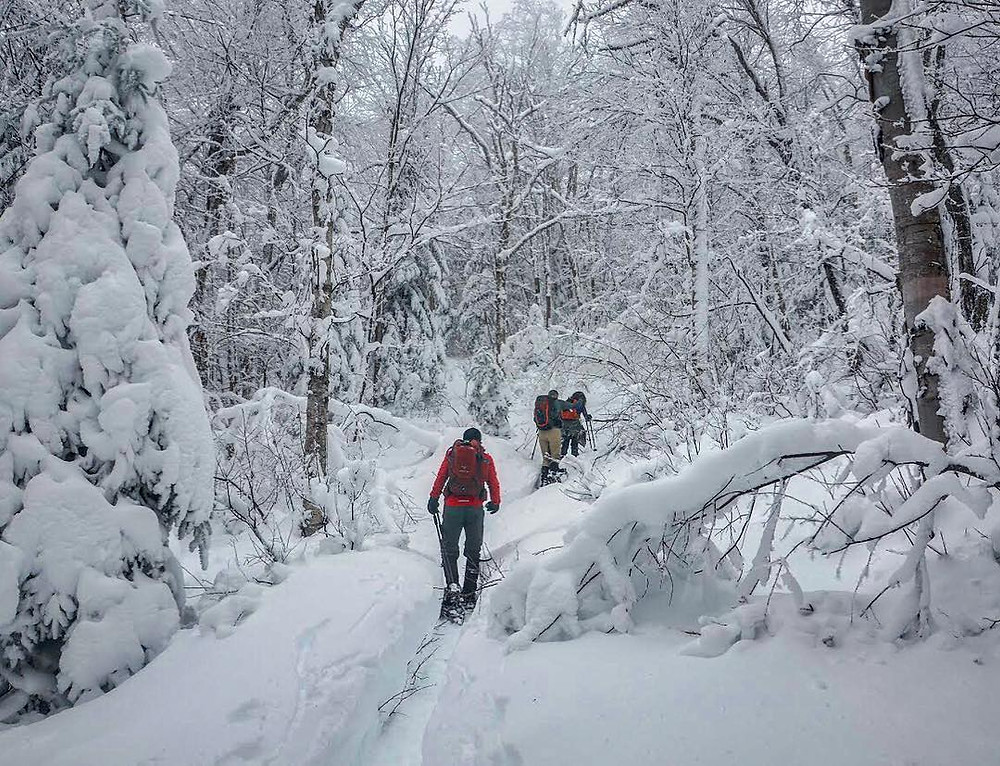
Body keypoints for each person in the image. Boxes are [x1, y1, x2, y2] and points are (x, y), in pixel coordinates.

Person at [428, 427, 501, 619]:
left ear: (464, 440)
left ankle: (453, 590)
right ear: (479, 440)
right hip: (475, 509)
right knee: (473, 550)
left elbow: (441, 476)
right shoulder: (485, 458)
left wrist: (433, 498)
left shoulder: (453, 454)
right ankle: (469, 594)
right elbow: (493, 481)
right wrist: (496, 501)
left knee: (449, 549)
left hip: (452, 508)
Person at [533, 389, 565, 485]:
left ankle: (544, 478)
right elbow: (572, 407)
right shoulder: (557, 403)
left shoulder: (540, 404)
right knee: (555, 455)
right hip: (554, 432)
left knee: (546, 457)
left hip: (542, 432)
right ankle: (553, 476)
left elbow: (534, 418)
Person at [560, 391, 592, 458]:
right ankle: (574, 456)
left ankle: (562, 456)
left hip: (564, 425)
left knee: (565, 441)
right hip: (575, 425)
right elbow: (585, 416)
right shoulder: (580, 404)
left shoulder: (567, 402)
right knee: (574, 442)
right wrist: (588, 417)